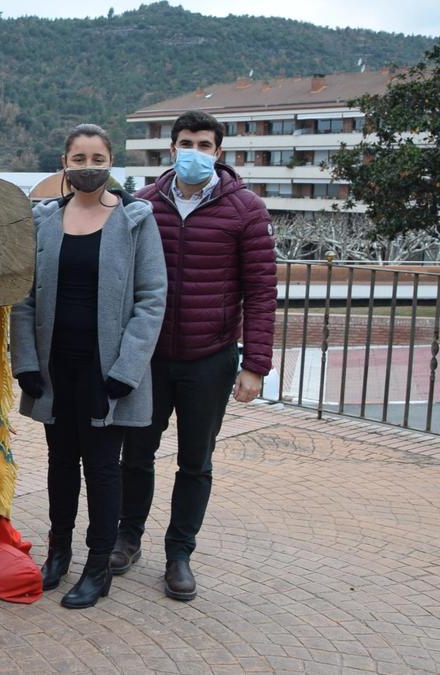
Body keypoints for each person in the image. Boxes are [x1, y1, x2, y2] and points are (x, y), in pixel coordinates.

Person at [113, 110, 277, 601]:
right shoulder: (143, 205)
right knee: (136, 455)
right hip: (150, 357)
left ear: (219, 153)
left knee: (195, 462)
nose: (195, 153)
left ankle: (180, 554)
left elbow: (262, 291)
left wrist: (255, 366)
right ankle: (127, 538)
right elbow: (123, 285)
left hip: (211, 357)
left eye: (205, 145)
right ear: (172, 149)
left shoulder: (246, 209)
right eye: (187, 143)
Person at [10, 124, 167, 609]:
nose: (87, 167)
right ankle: (58, 553)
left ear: (110, 162)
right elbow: (24, 296)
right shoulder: (44, 221)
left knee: (102, 469)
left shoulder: (135, 220)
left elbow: (151, 298)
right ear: (64, 162)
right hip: (57, 368)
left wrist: (126, 369)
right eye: (78, 158)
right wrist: (26, 363)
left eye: (96, 158)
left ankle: (99, 566)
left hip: (108, 372)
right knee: (60, 463)